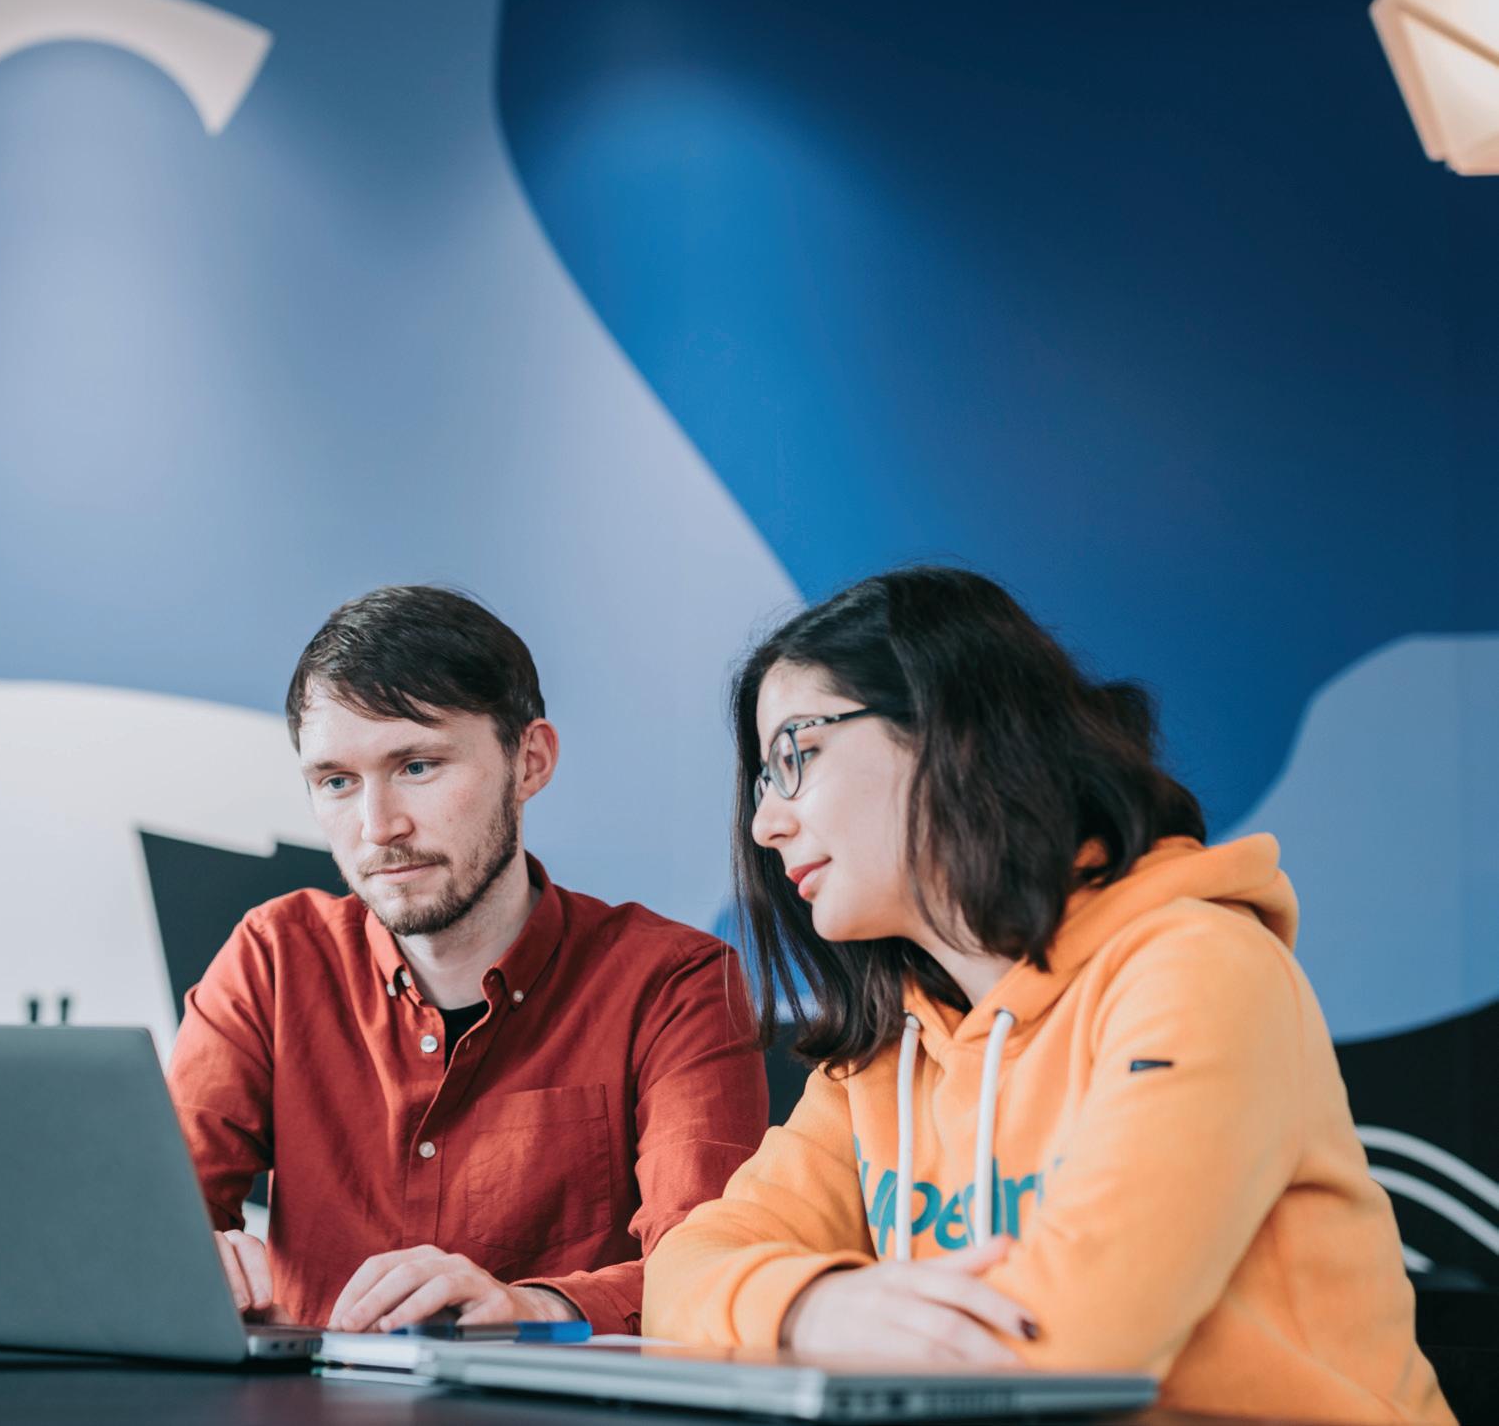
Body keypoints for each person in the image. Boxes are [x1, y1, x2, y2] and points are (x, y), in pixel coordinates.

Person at [643, 567, 1453, 1425]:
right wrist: (813, 1306)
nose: (765, 824)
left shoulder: (1199, 968)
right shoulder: (887, 1050)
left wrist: (791, 1312)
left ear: (950, 724)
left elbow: (1068, 1344)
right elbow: (679, 1275)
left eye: (795, 756)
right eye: (762, 782)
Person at [168, 585, 767, 1335]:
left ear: (530, 761)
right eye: (336, 782)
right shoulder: (275, 958)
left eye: (417, 766)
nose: (378, 827)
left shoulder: (674, 984)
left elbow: (708, 1271)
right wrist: (178, 1258)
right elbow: (151, 1216)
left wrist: (534, 1307)